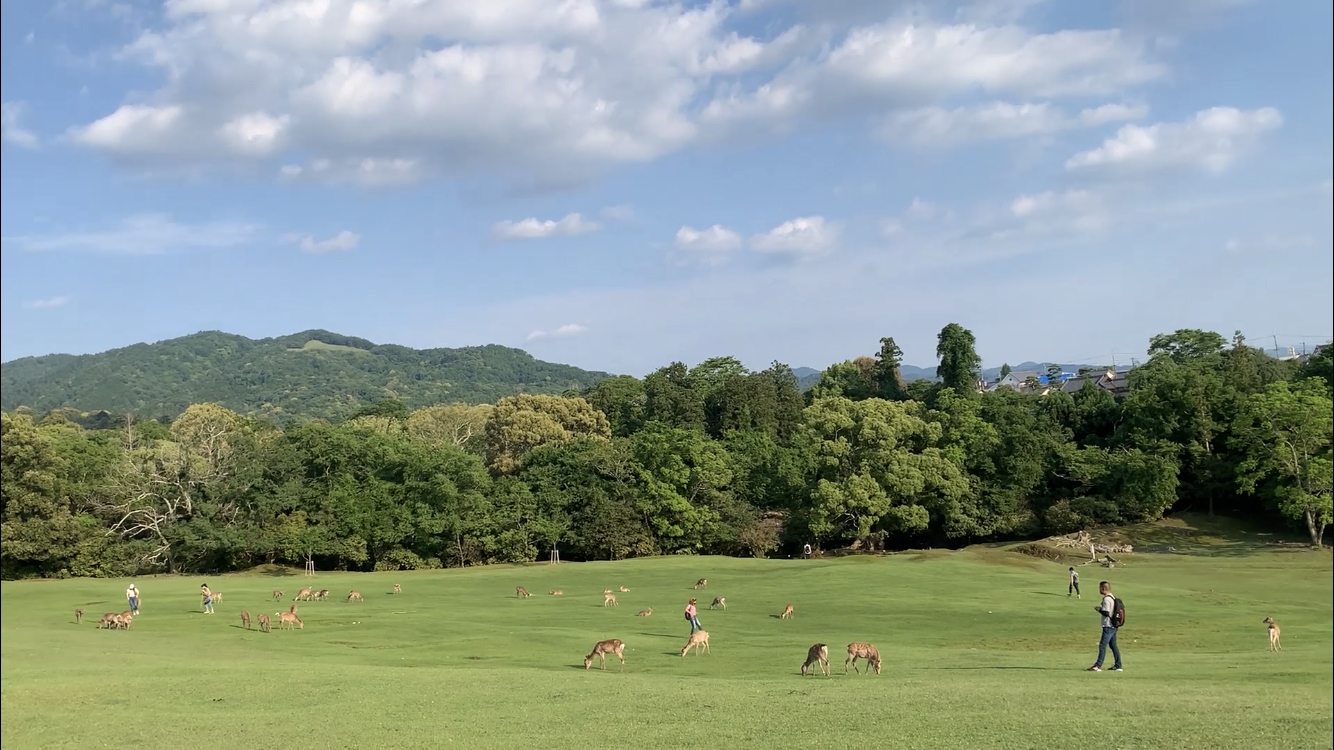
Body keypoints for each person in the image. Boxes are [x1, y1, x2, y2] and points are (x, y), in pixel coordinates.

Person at [1088, 581, 1122, 672]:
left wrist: (1099, 609)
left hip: (1108, 625)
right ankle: (1118, 665)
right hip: (1114, 625)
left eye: (1100, 588)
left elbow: (1106, 612)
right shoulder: (1113, 597)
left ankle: (1098, 665)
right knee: (1113, 645)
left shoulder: (1107, 599)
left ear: (1103, 588)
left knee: (1102, 645)